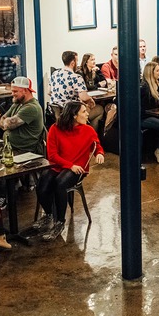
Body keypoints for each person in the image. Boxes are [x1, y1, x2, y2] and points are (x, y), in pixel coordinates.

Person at [33, 101, 105, 241]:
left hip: (78, 168)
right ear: (74, 115)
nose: (87, 114)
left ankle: (60, 222)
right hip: (58, 165)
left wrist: (100, 154)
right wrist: (69, 165)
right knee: (42, 184)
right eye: (84, 111)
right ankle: (48, 214)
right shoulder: (55, 128)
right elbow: (52, 155)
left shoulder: (88, 130)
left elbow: (97, 146)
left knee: (60, 183)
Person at [50, 51, 105, 132]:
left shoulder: (55, 74)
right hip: (72, 113)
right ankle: (89, 134)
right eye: (77, 61)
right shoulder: (76, 77)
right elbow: (84, 97)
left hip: (57, 111)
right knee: (99, 109)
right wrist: (90, 100)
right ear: (73, 63)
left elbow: (49, 92)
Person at [0, 76, 46, 155]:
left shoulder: (32, 107)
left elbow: (8, 124)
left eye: (15, 91)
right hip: (12, 148)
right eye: (12, 91)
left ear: (25, 90)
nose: (12, 94)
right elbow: (1, 121)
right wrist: (6, 121)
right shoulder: (17, 103)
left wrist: (6, 122)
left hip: (24, 152)